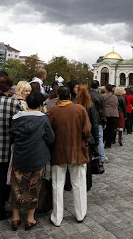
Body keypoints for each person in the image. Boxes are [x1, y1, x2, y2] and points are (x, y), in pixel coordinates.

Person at [9, 92, 55, 231]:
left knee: (17, 185)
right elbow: (51, 138)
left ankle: (15, 217)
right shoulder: (43, 119)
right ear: (40, 105)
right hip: (37, 156)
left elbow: (12, 136)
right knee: (34, 187)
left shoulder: (17, 118)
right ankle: (30, 218)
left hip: (20, 156)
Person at [48, 86, 91, 227]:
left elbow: (49, 132)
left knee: (57, 184)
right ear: (70, 96)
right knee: (78, 183)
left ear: (58, 97)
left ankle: (57, 217)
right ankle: (80, 213)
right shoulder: (79, 109)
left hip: (58, 151)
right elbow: (87, 130)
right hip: (77, 151)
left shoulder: (53, 111)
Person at [0, 76, 21, 222]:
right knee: (1, 181)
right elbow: (19, 126)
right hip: (5, 149)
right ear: (8, 89)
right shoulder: (13, 104)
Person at [76, 84, 99, 191]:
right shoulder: (90, 105)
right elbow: (94, 123)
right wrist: (96, 140)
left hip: (76, 137)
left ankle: (76, 182)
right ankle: (87, 183)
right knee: (87, 162)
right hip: (88, 137)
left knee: (76, 162)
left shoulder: (75, 105)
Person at [89, 80, 108, 163]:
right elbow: (101, 110)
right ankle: (102, 156)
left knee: (89, 137)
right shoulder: (100, 96)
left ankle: (92, 155)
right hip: (98, 120)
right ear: (98, 87)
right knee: (99, 138)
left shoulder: (87, 95)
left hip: (88, 119)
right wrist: (104, 121)